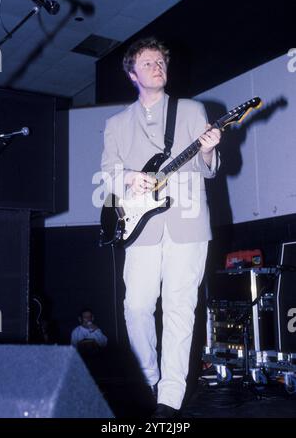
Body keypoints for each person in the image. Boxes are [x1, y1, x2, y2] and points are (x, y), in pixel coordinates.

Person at [101, 37, 221, 418]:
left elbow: (210, 168)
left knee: (179, 308)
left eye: (161, 61)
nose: (158, 66)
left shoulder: (191, 110)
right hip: (141, 227)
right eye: (149, 62)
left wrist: (207, 150)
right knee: (135, 307)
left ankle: (169, 397)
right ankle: (149, 376)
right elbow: (108, 174)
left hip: (187, 223)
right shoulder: (116, 124)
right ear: (133, 75)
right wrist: (130, 178)